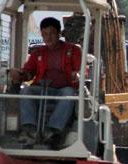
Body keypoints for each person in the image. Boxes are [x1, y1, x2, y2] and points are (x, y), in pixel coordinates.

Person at [10, 17, 81, 148]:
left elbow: (81, 71)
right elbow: (28, 73)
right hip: (41, 89)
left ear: (59, 34)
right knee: (26, 91)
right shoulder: (38, 53)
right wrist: (19, 74)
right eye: (45, 34)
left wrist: (76, 75)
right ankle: (29, 129)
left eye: (52, 33)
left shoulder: (73, 51)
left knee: (69, 92)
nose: (48, 37)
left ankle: (53, 131)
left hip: (62, 89)